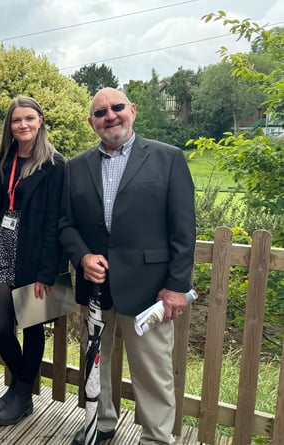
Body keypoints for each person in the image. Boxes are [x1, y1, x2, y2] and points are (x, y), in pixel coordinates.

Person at [58, 87, 196, 444]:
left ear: (132, 110)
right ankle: (102, 423)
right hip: (96, 288)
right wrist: (82, 256)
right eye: (101, 113)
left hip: (149, 289)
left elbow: (184, 230)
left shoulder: (168, 159)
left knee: (152, 371)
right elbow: (65, 224)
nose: (110, 116)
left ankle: (155, 437)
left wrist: (177, 286)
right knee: (96, 363)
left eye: (117, 108)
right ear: (91, 123)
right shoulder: (75, 167)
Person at [0, 96, 66, 426]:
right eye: (17, 120)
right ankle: (22, 386)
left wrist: (48, 271)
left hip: (37, 251)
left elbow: (57, 221)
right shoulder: (4, 160)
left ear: (40, 121)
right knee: (1, 326)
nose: (23, 125)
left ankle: (21, 394)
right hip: (3, 246)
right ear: (10, 126)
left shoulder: (56, 164)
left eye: (29, 119)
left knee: (33, 327)